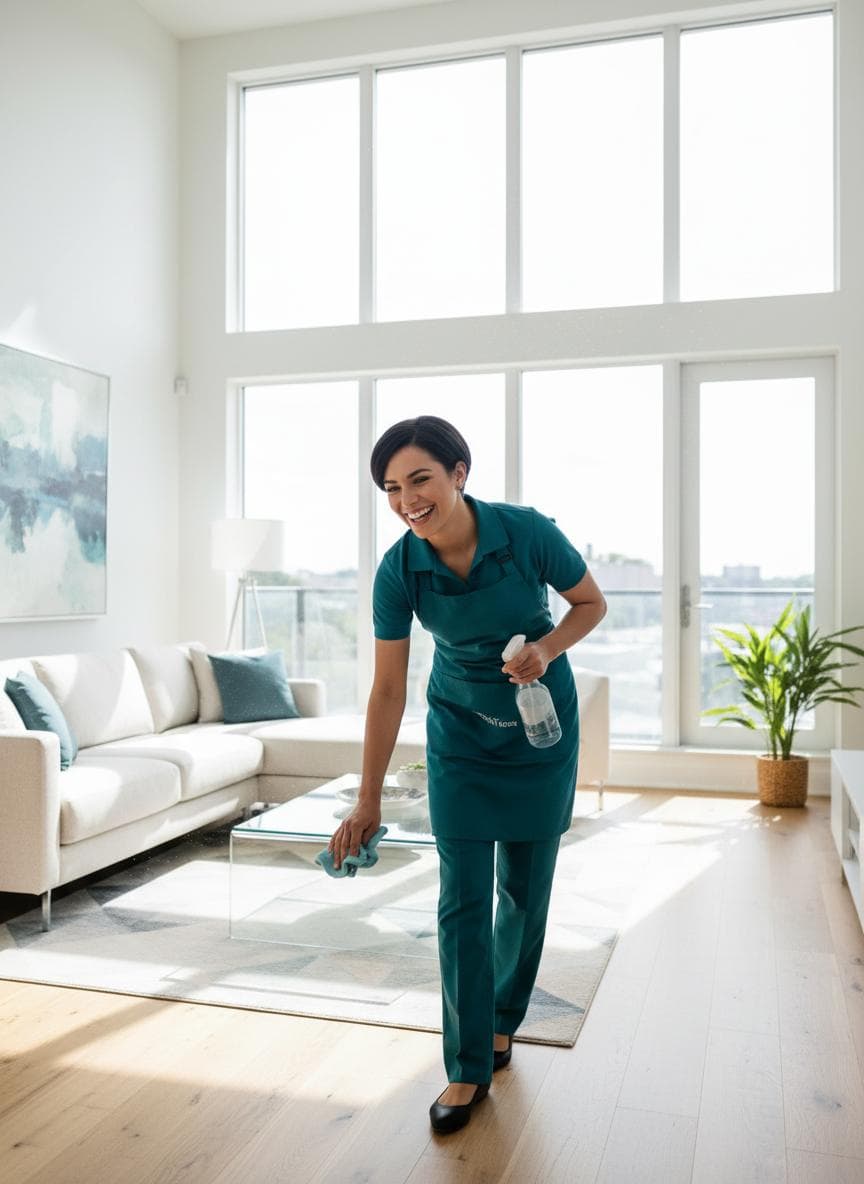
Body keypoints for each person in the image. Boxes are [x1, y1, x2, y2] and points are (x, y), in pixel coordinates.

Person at [327, 415, 606, 1134]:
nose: (406, 499)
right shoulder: (400, 570)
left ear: (458, 473)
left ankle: (502, 1021)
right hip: (459, 737)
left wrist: (545, 648)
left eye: (419, 478)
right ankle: (465, 1066)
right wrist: (366, 798)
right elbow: (387, 689)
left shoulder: (524, 532)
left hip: (540, 728)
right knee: (461, 901)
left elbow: (590, 603)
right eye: (391, 488)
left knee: (523, 890)